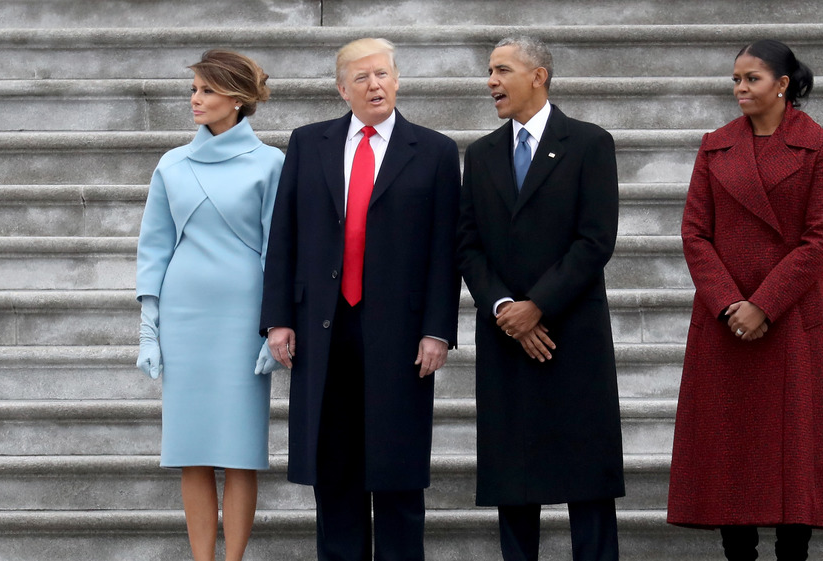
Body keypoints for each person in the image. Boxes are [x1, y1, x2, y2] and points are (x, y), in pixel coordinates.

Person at [259, 38, 461, 560]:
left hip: (401, 332)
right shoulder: (309, 143)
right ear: (342, 88)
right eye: (363, 77)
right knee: (336, 471)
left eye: (384, 74)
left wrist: (438, 328)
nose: (376, 85)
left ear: (397, 80)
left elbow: (445, 249)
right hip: (324, 327)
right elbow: (285, 234)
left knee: (396, 473)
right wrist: (278, 318)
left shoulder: (435, 150)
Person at [667, 39, 823, 560]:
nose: (740, 89)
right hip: (724, 321)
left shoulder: (821, 146)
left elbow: (819, 239)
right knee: (732, 458)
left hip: (790, 318)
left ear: (782, 84)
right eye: (735, 80)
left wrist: (764, 304)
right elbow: (694, 234)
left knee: (794, 457)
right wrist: (731, 303)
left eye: (751, 79)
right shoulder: (715, 145)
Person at [457, 36, 625, 561]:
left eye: (502, 70)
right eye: (489, 71)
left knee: (587, 479)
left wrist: (539, 305)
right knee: (514, 480)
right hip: (507, 337)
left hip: (571, 334)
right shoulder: (482, 154)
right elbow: (468, 244)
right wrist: (508, 309)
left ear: (539, 75)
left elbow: (596, 239)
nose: (491, 82)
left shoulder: (589, 143)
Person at [135, 49, 285, 561]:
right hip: (184, 316)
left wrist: (274, 324)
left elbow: (276, 249)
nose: (195, 100)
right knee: (191, 453)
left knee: (240, 453)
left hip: (244, 317)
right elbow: (154, 247)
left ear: (237, 99)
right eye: (193, 90)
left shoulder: (272, 164)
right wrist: (148, 326)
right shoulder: (171, 164)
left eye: (206, 90)